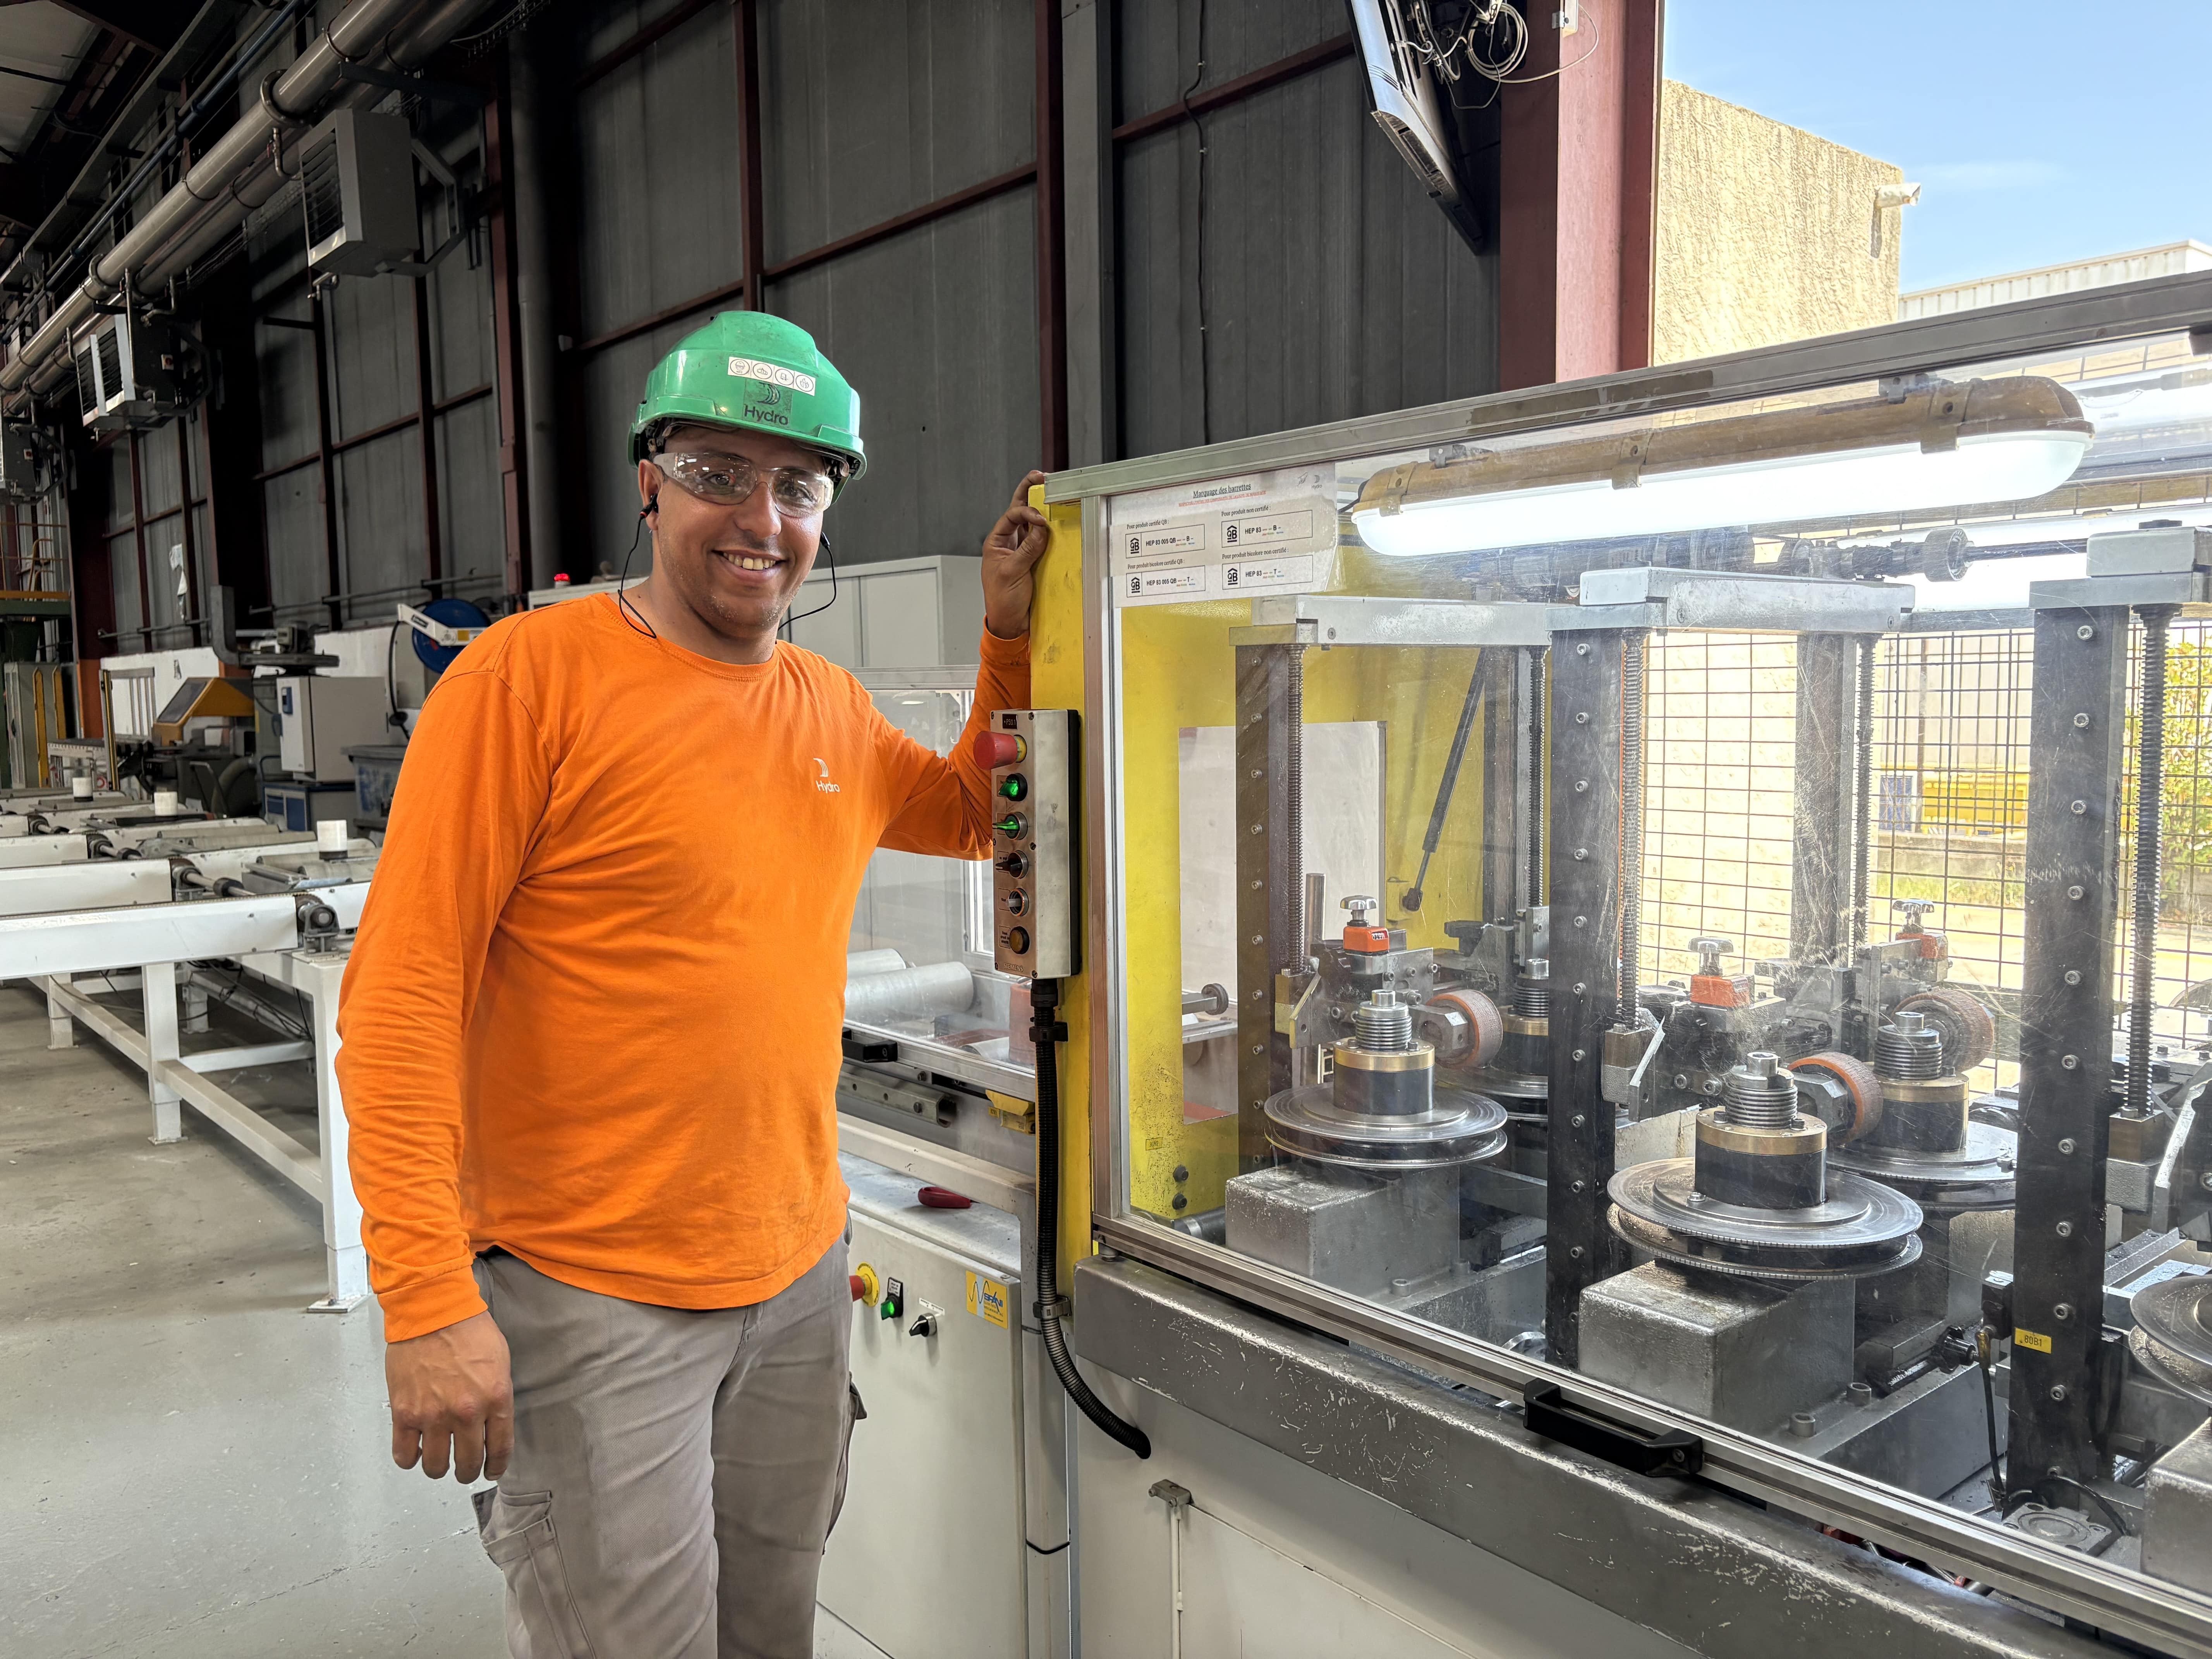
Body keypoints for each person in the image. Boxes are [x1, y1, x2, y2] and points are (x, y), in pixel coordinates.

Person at [335, 311, 1048, 1659]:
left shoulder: (828, 709)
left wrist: (1007, 640)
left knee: (772, 1629)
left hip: (793, 1278)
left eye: (798, 485)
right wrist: (425, 1296)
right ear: (649, 478)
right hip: (591, 1293)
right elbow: (401, 999)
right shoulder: (524, 684)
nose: (759, 519)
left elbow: (970, 815)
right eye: (720, 472)